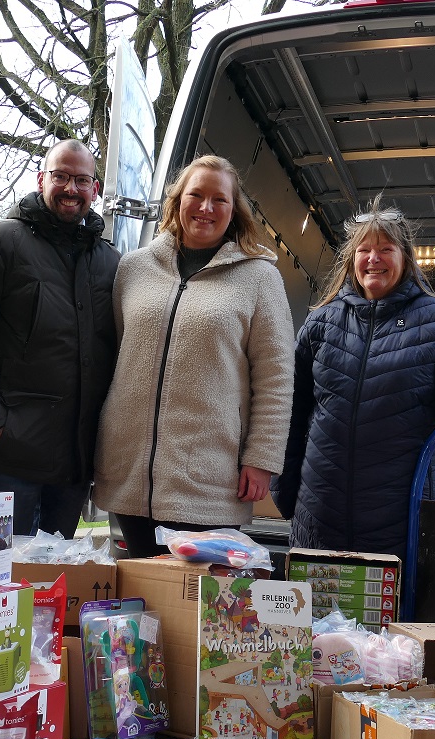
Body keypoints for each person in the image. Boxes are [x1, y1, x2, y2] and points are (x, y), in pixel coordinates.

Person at [275, 204, 435, 556]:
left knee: (395, 610)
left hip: (403, 519)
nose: (373, 259)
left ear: (405, 259)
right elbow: (288, 406)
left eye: (385, 249)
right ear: (351, 259)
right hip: (320, 516)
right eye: (364, 250)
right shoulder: (321, 323)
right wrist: (284, 489)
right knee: (319, 609)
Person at [93, 155, 295, 558]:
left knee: (196, 609)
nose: (206, 208)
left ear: (233, 210)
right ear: (176, 201)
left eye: (219, 200)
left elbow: (276, 378)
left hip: (209, 480)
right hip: (131, 475)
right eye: (196, 195)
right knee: (143, 597)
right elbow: (116, 354)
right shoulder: (133, 268)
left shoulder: (260, 277)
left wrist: (261, 459)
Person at [0, 139, 120, 538]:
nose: (70, 188)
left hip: (75, 462)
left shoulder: (109, 262)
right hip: (12, 455)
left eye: (82, 180)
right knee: (5, 580)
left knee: (52, 587)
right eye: (61, 176)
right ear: (42, 179)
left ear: (95, 190)